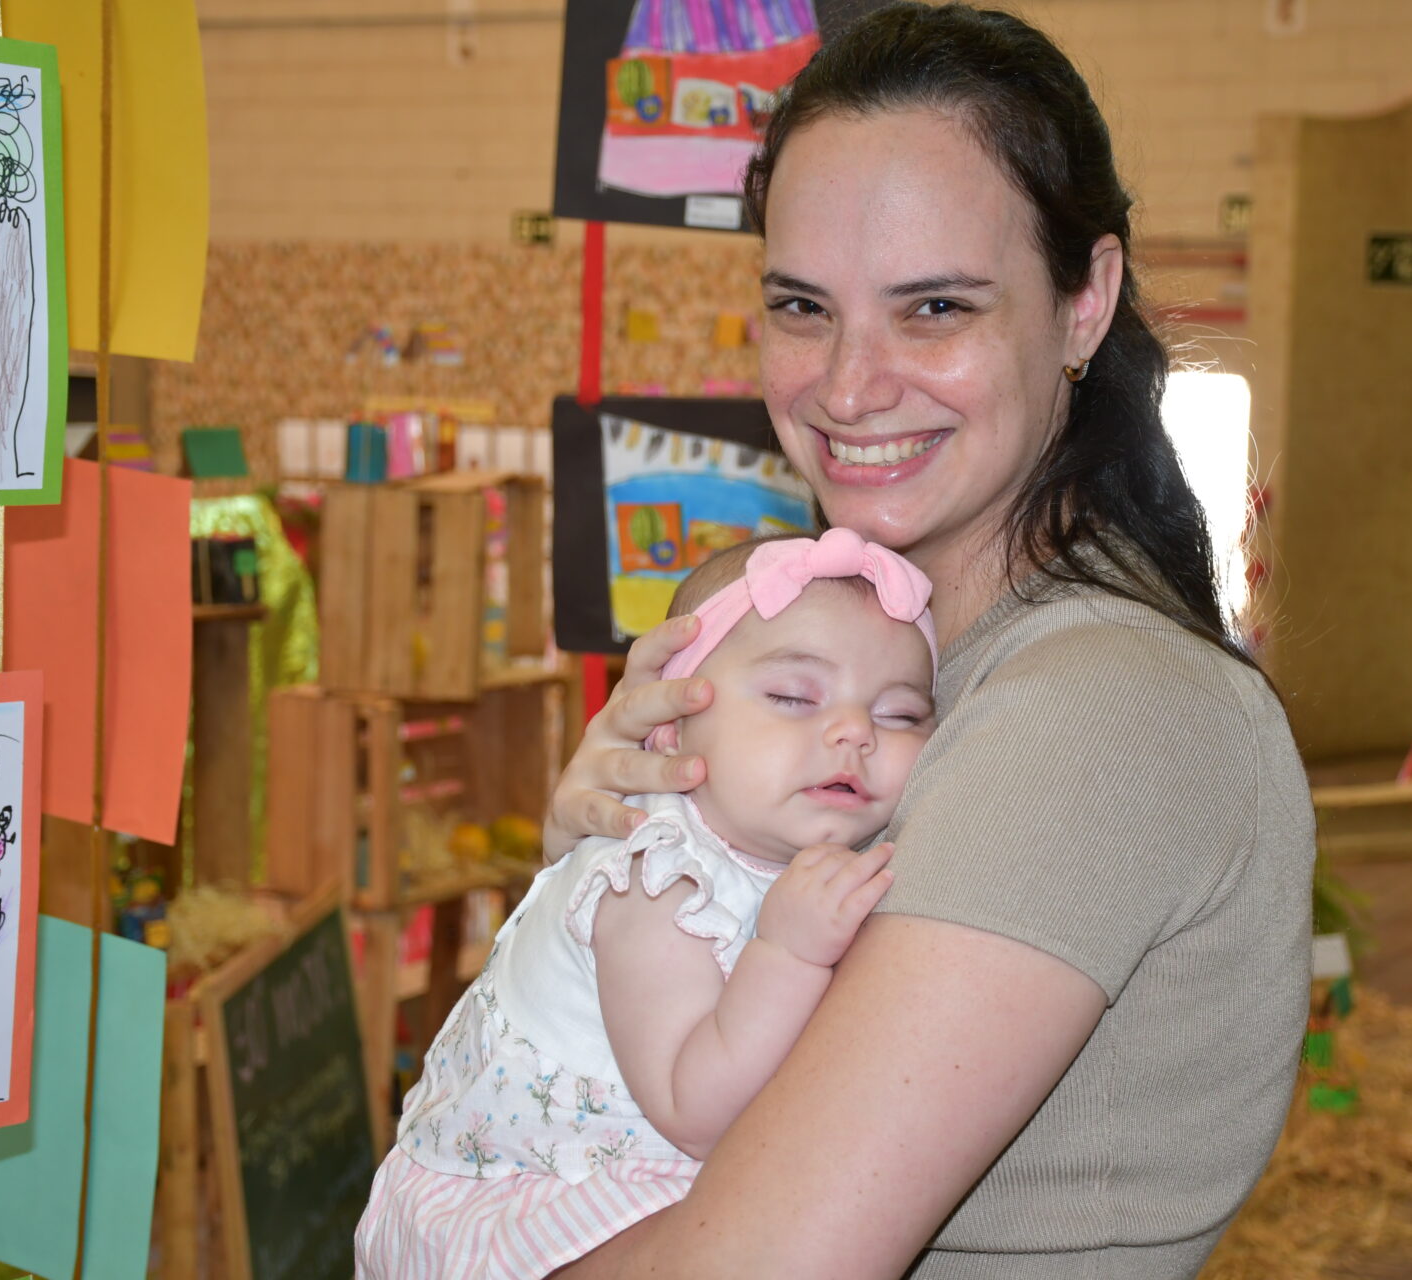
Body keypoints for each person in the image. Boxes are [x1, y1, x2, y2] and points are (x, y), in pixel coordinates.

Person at [545, 6, 1316, 1277]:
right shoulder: (882, 659)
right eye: (803, 306)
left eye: (936, 306)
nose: (848, 387)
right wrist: (608, 874)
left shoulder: (1096, 707)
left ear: (1085, 303)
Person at [354, 529, 940, 1279]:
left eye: (899, 715)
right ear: (671, 727)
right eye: (794, 697)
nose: (855, 732)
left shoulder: (796, 849)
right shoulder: (656, 877)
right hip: (544, 1188)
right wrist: (788, 953)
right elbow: (695, 1111)